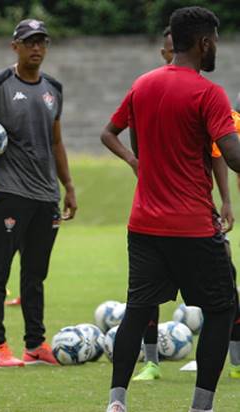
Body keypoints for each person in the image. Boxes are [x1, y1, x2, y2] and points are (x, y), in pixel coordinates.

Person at [99, 7, 240, 412]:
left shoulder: (143, 85)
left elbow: (113, 133)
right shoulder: (209, 93)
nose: (216, 48)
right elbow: (232, 156)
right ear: (204, 43)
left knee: (137, 310)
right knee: (221, 308)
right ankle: (200, 407)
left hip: (144, 225)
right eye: (215, 42)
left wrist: (135, 162)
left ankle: (117, 402)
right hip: (192, 227)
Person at [0, 18, 76, 368]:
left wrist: (68, 186)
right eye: (29, 42)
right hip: (10, 193)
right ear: (15, 47)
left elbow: (56, 142)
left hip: (47, 196)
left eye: (41, 42)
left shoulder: (54, 88)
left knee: (35, 274)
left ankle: (34, 344)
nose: (36, 48)